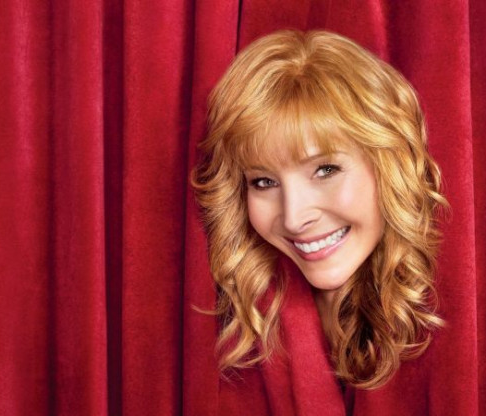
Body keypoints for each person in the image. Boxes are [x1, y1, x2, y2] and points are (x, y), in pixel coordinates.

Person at [192, 29, 448, 415]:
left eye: (325, 170)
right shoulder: (235, 329)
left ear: (389, 165)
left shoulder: (450, 318)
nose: (295, 217)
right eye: (263, 182)